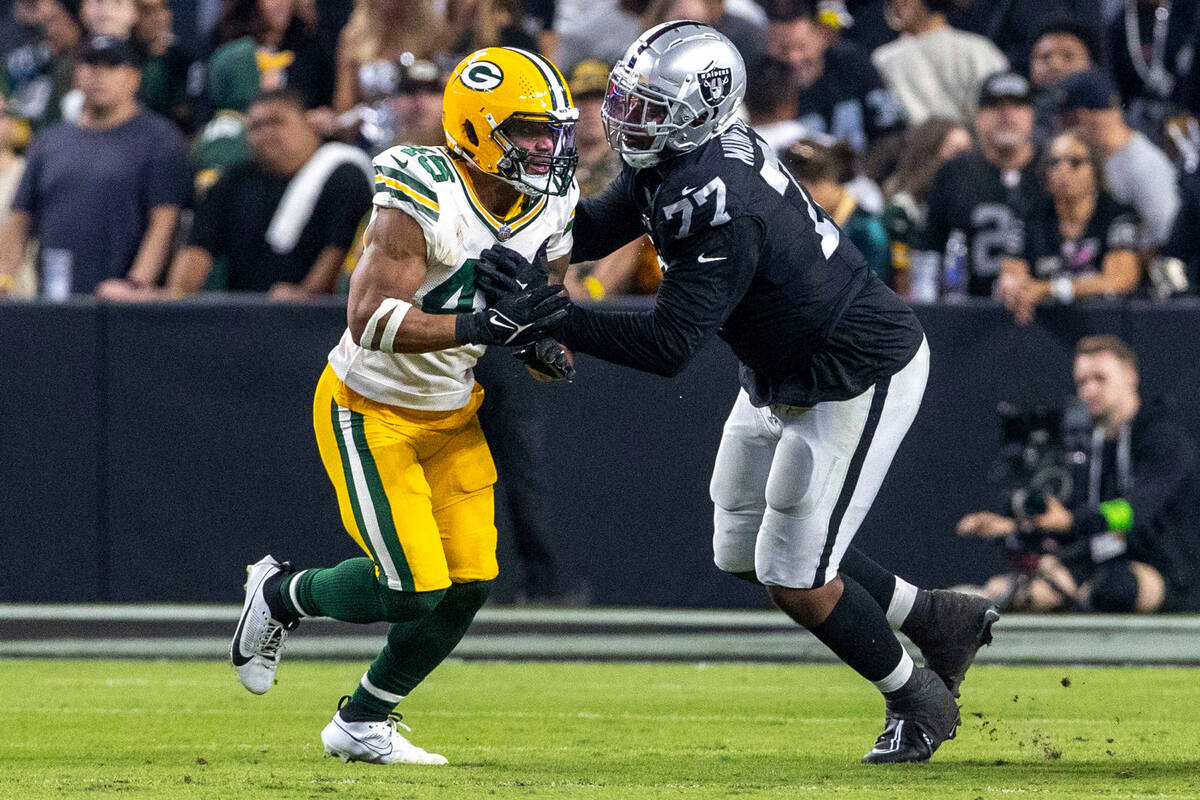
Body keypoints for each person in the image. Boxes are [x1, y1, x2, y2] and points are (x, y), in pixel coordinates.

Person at [477, 22, 999, 764]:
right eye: (627, 98)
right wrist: (516, 252)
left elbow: (669, 347)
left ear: (699, 111)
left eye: (648, 106)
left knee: (796, 578)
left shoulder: (715, 193)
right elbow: (594, 224)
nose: (628, 118)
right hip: (778, 371)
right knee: (740, 549)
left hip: (853, 372)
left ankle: (916, 697)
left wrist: (554, 312)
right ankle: (939, 618)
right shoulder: (679, 161)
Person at [229, 46, 577, 765]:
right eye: (529, 131)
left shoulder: (554, 205)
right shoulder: (421, 187)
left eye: (554, 131)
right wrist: (485, 325)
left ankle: (363, 719)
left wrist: (541, 346)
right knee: (413, 588)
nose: (547, 147)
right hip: (370, 406)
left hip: (452, 409)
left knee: (473, 580)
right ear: (479, 128)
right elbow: (370, 320)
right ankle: (282, 594)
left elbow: (539, 337)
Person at [957, 335, 1200, 613]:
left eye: (1100, 378)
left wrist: (1070, 522)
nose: (1089, 391)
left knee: (1116, 587)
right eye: (1082, 382)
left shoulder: (1164, 437)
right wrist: (1015, 528)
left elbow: (1130, 512)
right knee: (1026, 591)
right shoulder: (1089, 443)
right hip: (1101, 559)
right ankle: (967, 603)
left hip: (1168, 569)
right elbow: (1075, 519)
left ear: (1130, 376)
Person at [107, 89, 372, 301]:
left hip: (315, 321)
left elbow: (338, 249)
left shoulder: (343, 175)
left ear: (310, 124)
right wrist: (175, 298)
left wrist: (308, 295)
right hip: (244, 316)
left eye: (276, 122)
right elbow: (198, 248)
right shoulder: (234, 180)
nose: (265, 133)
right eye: (255, 126)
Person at [0, 34, 189, 299]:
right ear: (77, 75)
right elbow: (20, 216)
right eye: (90, 65)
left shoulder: (158, 138)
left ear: (133, 78)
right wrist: (4, 278)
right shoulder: (49, 141)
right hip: (56, 298)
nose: (99, 75)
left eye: (111, 66)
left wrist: (137, 284)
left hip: (123, 302)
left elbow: (165, 221)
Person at [914, 71, 1047, 299]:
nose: (1007, 115)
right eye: (995, 106)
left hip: (1045, 308)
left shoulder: (1054, 167)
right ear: (978, 117)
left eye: (1017, 105)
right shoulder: (955, 172)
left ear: (1032, 114)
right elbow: (930, 249)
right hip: (969, 310)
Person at [997, 131, 1141, 324]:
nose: (1063, 170)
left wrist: (1050, 289)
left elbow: (1121, 280)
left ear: (1095, 169)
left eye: (1075, 162)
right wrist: (1016, 291)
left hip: (1105, 323)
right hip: (1043, 324)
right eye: (1054, 162)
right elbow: (1013, 275)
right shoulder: (1029, 217)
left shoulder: (1116, 215)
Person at [1058, 69, 1180, 253]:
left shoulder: (1143, 164)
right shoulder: (1101, 155)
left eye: (1063, 118)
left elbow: (1166, 235)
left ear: (1080, 116)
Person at [767, 8, 904, 154]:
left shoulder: (851, 64)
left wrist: (863, 175)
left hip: (866, 168)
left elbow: (890, 131)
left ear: (821, 37)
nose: (794, 58)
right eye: (784, 49)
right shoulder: (764, 85)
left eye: (802, 47)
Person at [870, 0, 1008, 125]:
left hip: (974, 148)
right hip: (907, 150)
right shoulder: (882, 59)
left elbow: (1001, 111)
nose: (898, 3)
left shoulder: (978, 50)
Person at [781, 136, 891, 284]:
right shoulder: (796, 222)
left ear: (833, 178)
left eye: (814, 182)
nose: (807, 193)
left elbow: (872, 289)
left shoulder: (868, 229)